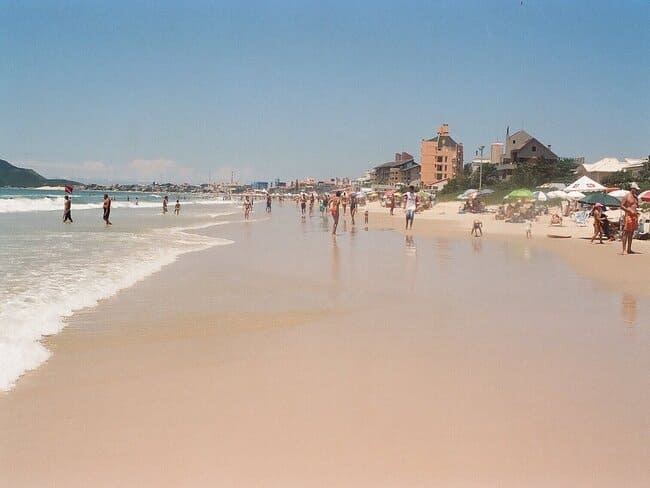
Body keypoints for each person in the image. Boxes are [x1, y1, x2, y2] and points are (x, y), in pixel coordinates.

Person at [620, 182, 640, 255]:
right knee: (625, 232)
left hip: (634, 216)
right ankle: (624, 250)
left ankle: (629, 248)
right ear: (632, 189)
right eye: (636, 189)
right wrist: (628, 210)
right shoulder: (626, 196)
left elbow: (636, 206)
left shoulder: (636, 197)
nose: (637, 191)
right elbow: (621, 206)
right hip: (628, 215)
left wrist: (637, 211)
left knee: (631, 232)